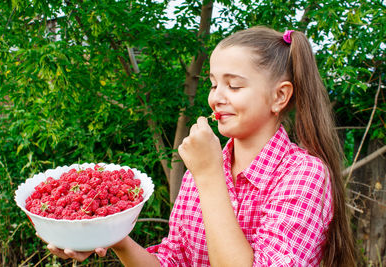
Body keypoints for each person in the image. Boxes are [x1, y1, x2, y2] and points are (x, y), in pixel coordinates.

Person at [46, 26, 356, 266]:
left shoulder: (303, 175)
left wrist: (209, 176)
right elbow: (173, 260)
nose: (216, 97)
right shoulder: (204, 167)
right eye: (213, 83)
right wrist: (112, 235)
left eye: (233, 85)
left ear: (279, 96)